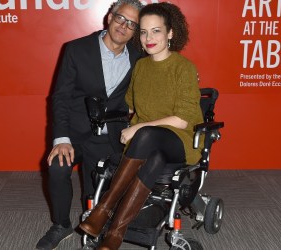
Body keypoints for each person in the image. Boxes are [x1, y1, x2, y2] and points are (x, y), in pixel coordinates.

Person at [79, 2, 203, 249]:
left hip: (180, 140)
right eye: (144, 32)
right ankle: (115, 233)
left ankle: (104, 208)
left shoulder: (184, 68)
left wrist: (137, 129)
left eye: (156, 31)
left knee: (146, 134)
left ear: (170, 33)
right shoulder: (141, 66)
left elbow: (183, 118)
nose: (148, 38)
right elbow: (131, 104)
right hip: (150, 146)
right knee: (154, 157)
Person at [36, 1, 143, 249]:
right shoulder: (76, 49)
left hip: (109, 136)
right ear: (109, 17)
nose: (123, 26)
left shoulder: (139, 58)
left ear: (136, 31)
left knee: (98, 189)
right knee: (57, 168)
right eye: (120, 18)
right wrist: (61, 138)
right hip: (74, 130)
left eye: (132, 24)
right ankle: (61, 224)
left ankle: (95, 223)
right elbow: (61, 96)